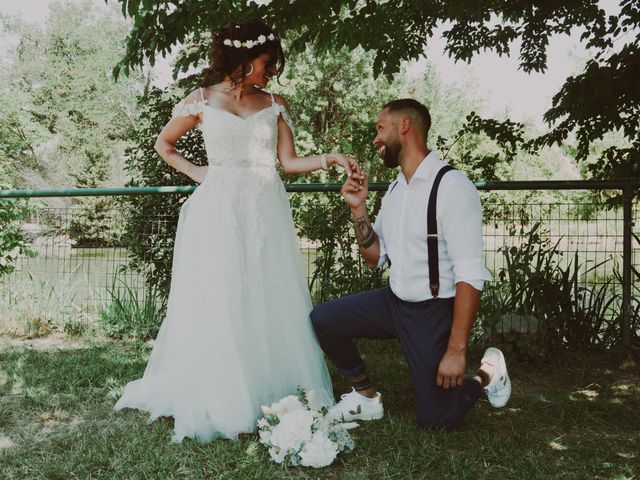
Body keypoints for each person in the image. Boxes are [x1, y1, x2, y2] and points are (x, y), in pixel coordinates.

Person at [114, 18, 362, 443]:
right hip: (218, 208)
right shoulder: (201, 99)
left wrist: (331, 158)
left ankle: (268, 385)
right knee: (221, 293)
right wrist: (201, 173)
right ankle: (222, 389)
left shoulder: (275, 103)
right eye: (267, 63)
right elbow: (164, 144)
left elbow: (289, 163)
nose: (271, 71)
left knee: (266, 293)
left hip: (265, 208)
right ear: (246, 59)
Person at [310, 99, 511, 431]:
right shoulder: (395, 190)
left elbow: (470, 275)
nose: (375, 139)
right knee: (324, 319)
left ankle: (487, 373)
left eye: (380, 128)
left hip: (431, 312)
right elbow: (375, 258)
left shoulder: (451, 187)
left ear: (404, 126)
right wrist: (357, 209)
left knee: (437, 420)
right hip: (393, 302)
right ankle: (365, 396)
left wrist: (456, 351)